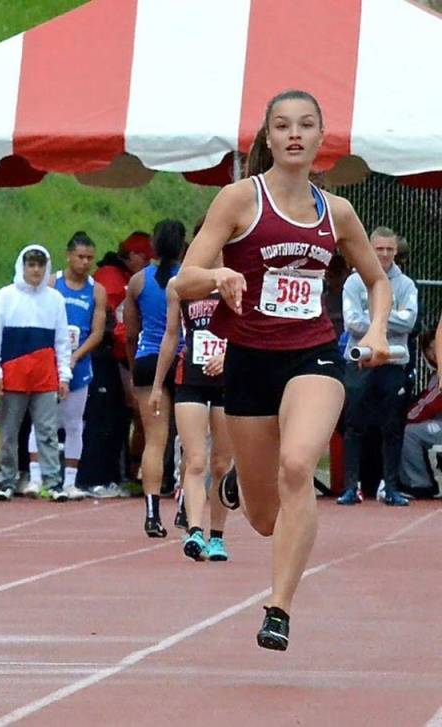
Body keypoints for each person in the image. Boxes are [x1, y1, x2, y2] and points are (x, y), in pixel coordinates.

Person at [176, 89, 391, 651]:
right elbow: (184, 280)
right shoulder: (239, 199)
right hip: (248, 362)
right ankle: (237, 486)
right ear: (268, 138)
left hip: (312, 354)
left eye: (305, 125)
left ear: (321, 138)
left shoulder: (337, 213)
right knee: (264, 518)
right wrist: (217, 277)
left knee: (297, 465)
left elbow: (377, 280)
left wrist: (375, 330)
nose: (294, 134)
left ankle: (279, 607)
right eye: (283, 125)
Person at [149, 272, 232, 561]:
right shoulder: (180, 285)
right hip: (191, 380)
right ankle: (195, 530)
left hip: (227, 382)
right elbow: (171, 335)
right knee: (195, 460)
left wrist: (228, 356)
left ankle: (217, 536)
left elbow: (250, 331)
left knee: (221, 464)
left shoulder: (236, 280)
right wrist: (157, 385)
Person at [0, 245, 71, 502]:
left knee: (47, 431)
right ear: (22, 267)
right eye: (31, 265)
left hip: (44, 375)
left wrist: (64, 375)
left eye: (40, 265)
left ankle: (53, 482)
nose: (35, 270)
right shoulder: (4, 296)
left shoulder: (55, 299)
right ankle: (7, 481)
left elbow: (62, 341)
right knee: (9, 432)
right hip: (13, 373)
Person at [337, 227, 416, 507]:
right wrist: (386, 319)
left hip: (394, 362)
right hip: (359, 362)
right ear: (369, 249)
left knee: (392, 426)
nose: (384, 254)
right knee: (353, 424)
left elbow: (409, 322)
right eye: (379, 249)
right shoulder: (354, 282)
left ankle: (390, 487)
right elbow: (351, 322)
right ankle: (351, 487)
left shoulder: (406, 285)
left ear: (396, 252)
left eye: (389, 249)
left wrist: (374, 318)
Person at [26, 232, 105, 500]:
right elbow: (37, 319)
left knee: (73, 423)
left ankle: (69, 481)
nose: (85, 262)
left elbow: (97, 332)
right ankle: (36, 478)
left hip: (79, 365)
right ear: (68, 255)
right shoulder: (51, 284)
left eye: (90, 258)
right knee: (42, 420)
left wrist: (76, 356)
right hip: (49, 363)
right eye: (80, 257)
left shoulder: (96, 290)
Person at [124, 219, 185, 537]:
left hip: (148, 359)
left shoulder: (138, 281)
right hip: (184, 359)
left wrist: (134, 367)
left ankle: (151, 513)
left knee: (154, 441)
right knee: (189, 440)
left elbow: (130, 333)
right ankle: (186, 507)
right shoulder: (190, 278)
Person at [88, 231, 154, 491]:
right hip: (109, 356)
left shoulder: (130, 278)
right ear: (132, 255)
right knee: (117, 416)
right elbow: (116, 326)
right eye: (144, 258)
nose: (148, 264)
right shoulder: (110, 277)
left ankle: (129, 469)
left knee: (135, 416)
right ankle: (108, 473)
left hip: (127, 354)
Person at [402, 329, 442, 498]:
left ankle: (420, 484)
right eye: (430, 350)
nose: (433, 354)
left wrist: (405, 419)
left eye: (435, 349)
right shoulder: (435, 375)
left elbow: (429, 405)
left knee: (409, 433)